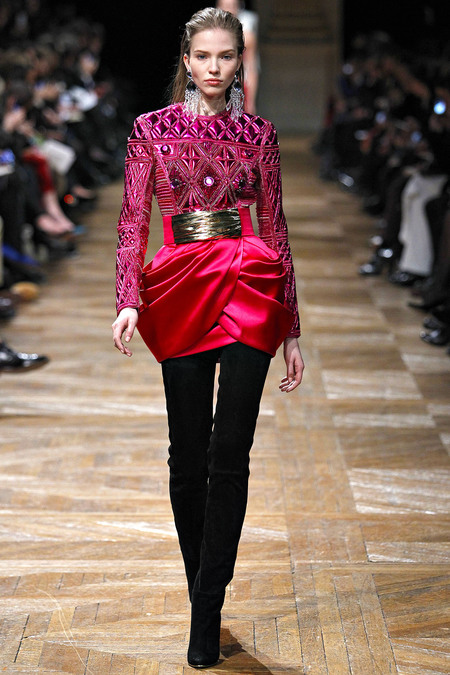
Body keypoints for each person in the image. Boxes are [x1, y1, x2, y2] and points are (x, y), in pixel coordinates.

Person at [112, 7, 304, 669]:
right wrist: (127, 298)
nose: (215, 67)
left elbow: (275, 225)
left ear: (239, 60)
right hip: (179, 287)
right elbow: (131, 220)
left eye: (226, 56)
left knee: (231, 453)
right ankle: (205, 595)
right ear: (187, 61)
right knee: (187, 457)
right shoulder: (152, 129)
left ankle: (207, 607)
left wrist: (292, 327)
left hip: (250, 282)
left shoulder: (259, 133)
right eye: (203, 56)